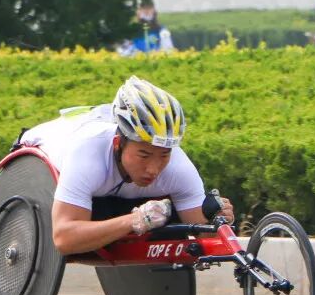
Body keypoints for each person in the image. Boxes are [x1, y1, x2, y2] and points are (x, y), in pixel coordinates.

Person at [18, 76, 234, 255]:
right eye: (144, 155)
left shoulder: (178, 167)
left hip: (109, 195)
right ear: (118, 144)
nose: (154, 169)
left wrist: (219, 220)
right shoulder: (87, 154)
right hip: (39, 159)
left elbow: (204, 234)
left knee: (169, 215)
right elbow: (64, 239)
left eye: (164, 155)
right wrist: (135, 220)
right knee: (104, 211)